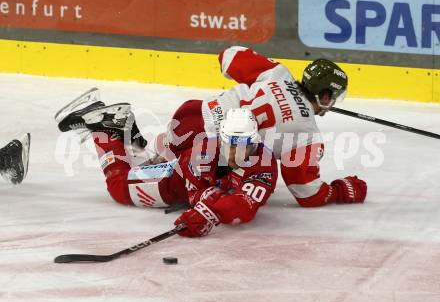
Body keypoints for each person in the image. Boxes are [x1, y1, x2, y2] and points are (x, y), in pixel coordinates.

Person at [150, 46, 367, 208]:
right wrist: (340, 190)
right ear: (325, 96)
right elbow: (307, 192)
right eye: (333, 98)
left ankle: (165, 151)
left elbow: (228, 56)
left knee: (167, 163)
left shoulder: (278, 73)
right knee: (185, 180)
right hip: (211, 154)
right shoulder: (307, 133)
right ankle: (166, 164)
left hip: (190, 114)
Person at [56, 95, 278, 237]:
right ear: (222, 139)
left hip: (184, 162)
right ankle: (105, 131)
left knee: (158, 159)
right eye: (231, 144)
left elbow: (244, 206)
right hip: (173, 180)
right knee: (118, 186)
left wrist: (212, 209)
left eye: (244, 145)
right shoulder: (203, 153)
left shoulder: (264, 165)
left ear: (255, 142)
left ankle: (127, 133)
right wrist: (208, 204)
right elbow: (193, 196)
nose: (236, 152)